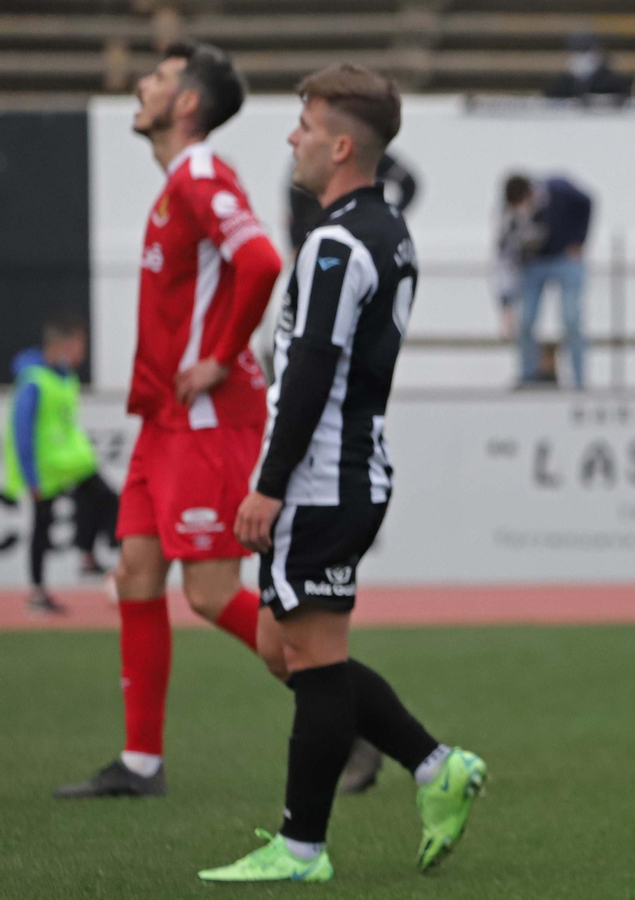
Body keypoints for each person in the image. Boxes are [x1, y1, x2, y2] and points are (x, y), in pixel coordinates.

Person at [201, 64, 486, 883]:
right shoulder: (384, 227)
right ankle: (435, 766)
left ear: (340, 143)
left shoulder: (334, 242)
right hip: (347, 471)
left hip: (323, 477)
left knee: (316, 659)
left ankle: (300, 849)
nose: (291, 136)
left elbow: (313, 372)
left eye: (302, 123)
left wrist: (270, 482)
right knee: (279, 646)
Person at [54, 42, 283, 800]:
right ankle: (141, 764)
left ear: (187, 105)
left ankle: (341, 703)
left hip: (207, 416)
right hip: (164, 418)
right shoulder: (175, 187)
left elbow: (261, 262)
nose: (141, 86)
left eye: (156, 79)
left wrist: (219, 355)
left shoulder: (199, 174)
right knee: (135, 574)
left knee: (212, 592)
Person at [3, 315, 119, 615]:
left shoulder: (65, 376)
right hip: (45, 468)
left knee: (104, 498)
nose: (82, 352)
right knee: (42, 525)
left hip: (70, 462)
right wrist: (31, 478)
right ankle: (38, 593)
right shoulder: (33, 381)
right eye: (79, 345)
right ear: (63, 345)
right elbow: (21, 430)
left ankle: (87, 555)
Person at [498, 173, 593, 388]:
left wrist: (580, 239)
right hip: (534, 264)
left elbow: (587, 201)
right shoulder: (510, 216)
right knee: (526, 320)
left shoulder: (559, 189)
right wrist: (505, 304)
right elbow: (504, 259)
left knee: (572, 318)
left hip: (565, 260)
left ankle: (580, 381)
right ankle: (527, 377)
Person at [288, 151, 418, 255]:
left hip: (361, 243)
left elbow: (408, 185)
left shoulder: (372, 156)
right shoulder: (312, 160)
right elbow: (296, 206)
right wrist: (297, 243)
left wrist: (388, 217)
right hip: (323, 242)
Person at [545, 32, 629, 102]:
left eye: (584, 51)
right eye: (576, 52)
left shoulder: (611, 82)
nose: (580, 58)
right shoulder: (561, 84)